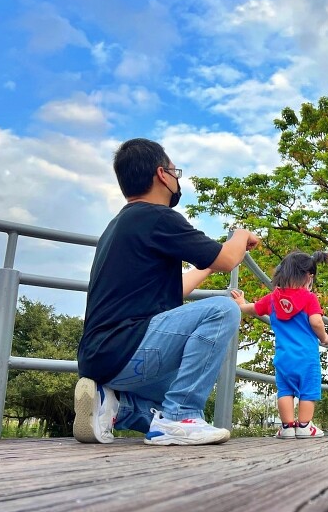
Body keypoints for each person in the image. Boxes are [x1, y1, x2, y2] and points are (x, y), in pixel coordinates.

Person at [74, 138, 259, 446]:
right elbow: (229, 259)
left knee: (186, 376)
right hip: (129, 349)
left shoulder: (119, 225)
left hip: (102, 359)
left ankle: (117, 406)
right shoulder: (157, 217)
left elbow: (181, 286)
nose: (176, 179)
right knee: (224, 309)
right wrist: (240, 235)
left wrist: (207, 267)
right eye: (176, 172)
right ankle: (180, 416)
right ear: (162, 174)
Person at [231, 250, 328, 439]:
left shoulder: (272, 298)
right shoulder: (310, 298)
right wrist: (324, 337)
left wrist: (241, 303)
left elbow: (252, 309)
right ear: (309, 277)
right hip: (307, 357)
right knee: (307, 391)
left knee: (285, 391)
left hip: (283, 357)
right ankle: (304, 426)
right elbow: (316, 322)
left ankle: (286, 427)